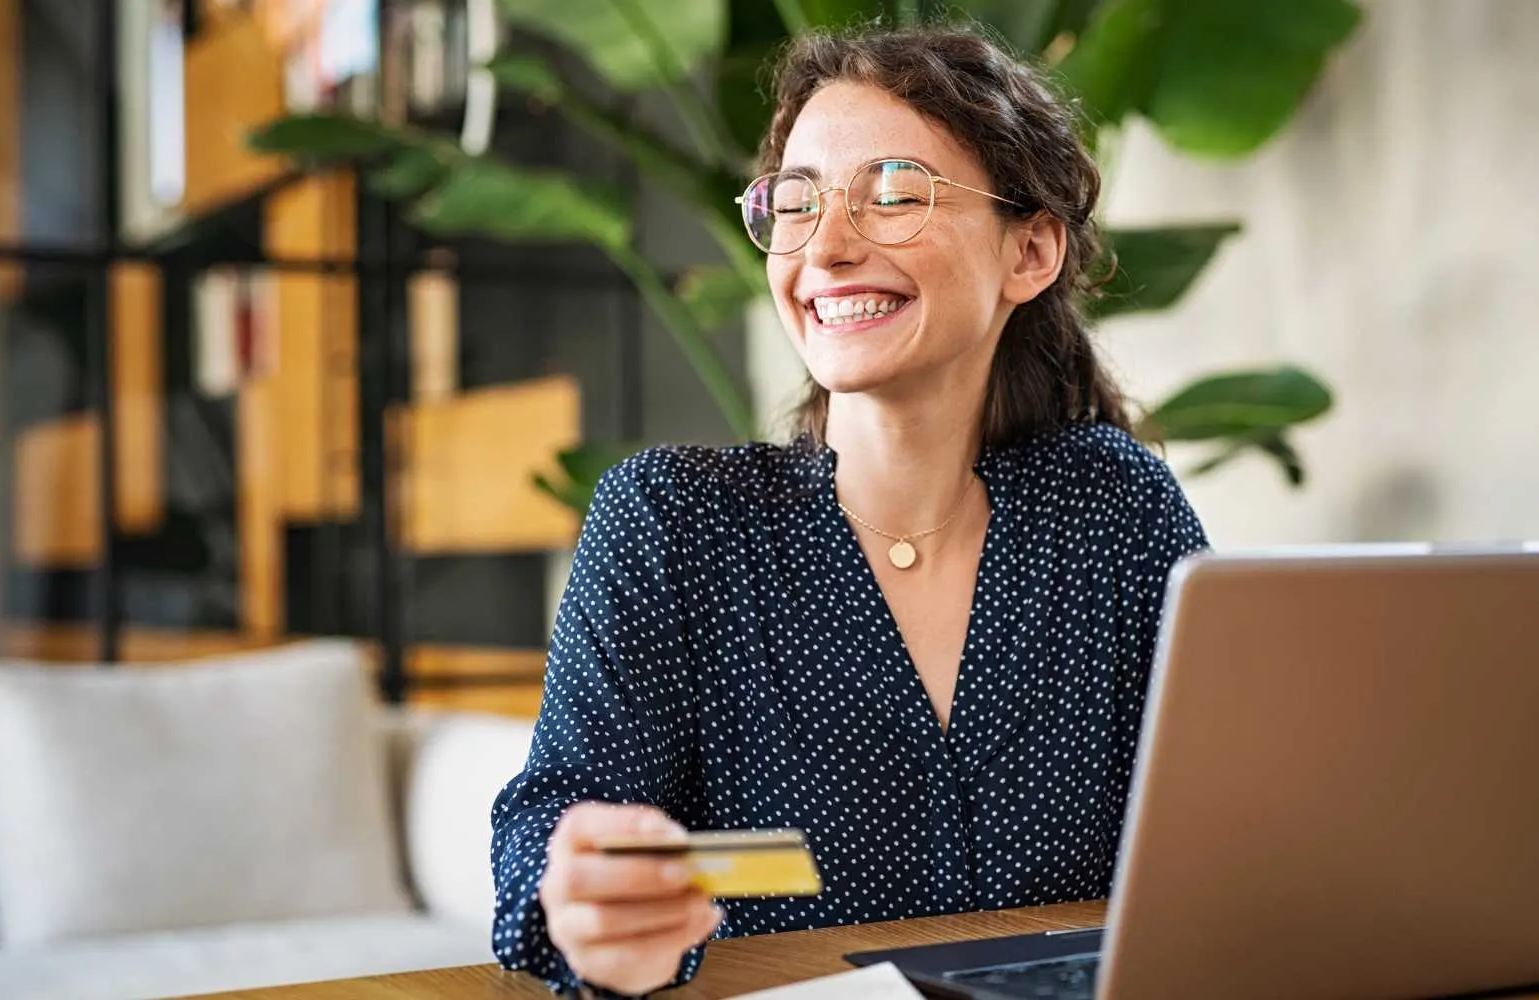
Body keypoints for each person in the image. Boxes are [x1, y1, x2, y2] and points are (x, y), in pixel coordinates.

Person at [491, 24, 1210, 999]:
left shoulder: (1114, 511)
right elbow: (550, 829)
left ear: (1030, 249)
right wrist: (581, 898)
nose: (826, 247)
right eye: (796, 202)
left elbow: (1231, 833)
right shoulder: (673, 523)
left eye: (896, 194)